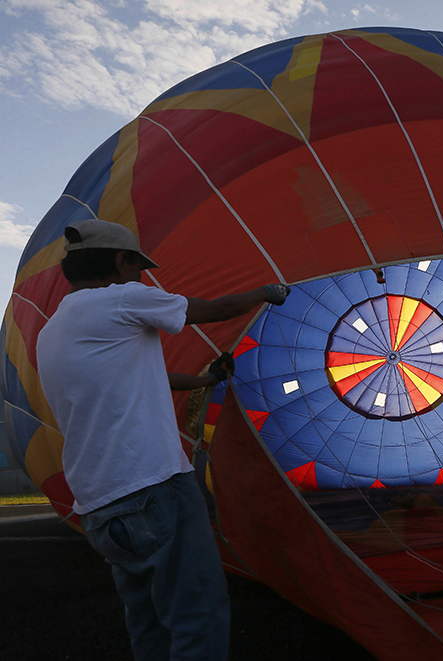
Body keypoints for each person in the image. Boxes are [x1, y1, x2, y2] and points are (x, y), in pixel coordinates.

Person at [35, 219, 290, 661]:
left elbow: (142, 375)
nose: (143, 278)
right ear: (122, 261)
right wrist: (267, 293)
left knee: (149, 624)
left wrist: (203, 379)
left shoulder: (54, 329)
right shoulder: (121, 299)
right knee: (199, 619)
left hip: (99, 506)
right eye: (139, 268)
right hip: (152, 491)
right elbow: (217, 307)